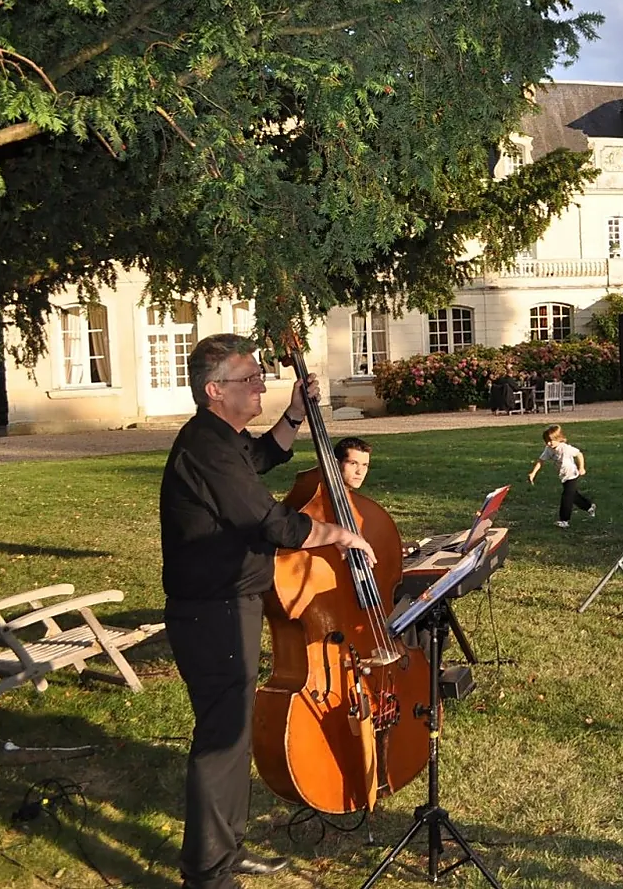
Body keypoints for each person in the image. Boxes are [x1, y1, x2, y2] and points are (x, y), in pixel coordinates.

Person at [160, 335, 375, 889]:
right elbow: (274, 524)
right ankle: (207, 874)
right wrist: (339, 534)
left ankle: (223, 853)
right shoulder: (203, 447)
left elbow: (260, 456)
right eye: (248, 378)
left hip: (233, 604)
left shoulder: (221, 438)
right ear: (214, 391)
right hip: (212, 613)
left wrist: (294, 416)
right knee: (222, 742)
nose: (260, 383)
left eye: (259, 376)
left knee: (234, 738)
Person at [528, 424, 595, 528]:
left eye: (551, 441)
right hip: (563, 476)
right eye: (546, 441)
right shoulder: (549, 449)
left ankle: (564, 520)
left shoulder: (566, 448)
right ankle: (589, 506)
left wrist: (582, 468)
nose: (549, 444)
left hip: (572, 474)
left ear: (559, 439)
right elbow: (541, 461)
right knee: (573, 496)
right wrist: (533, 473)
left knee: (566, 497)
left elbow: (579, 454)